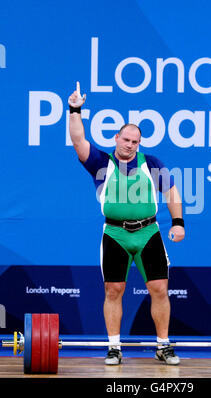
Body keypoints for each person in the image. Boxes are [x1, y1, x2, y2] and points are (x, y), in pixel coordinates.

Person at [68, 82, 185, 366]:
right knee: (114, 290)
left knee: (159, 288)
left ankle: (163, 345)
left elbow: (171, 192)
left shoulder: (151, 162)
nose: (129, 144)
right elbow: (78, 140)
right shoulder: (100, 162)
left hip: (149, 232)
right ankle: (114, 347)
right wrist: (74, 110)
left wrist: (178, 222)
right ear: (117, 137)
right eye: (125, 139)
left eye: (134, 141)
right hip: (115, 234)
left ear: (138, 144)